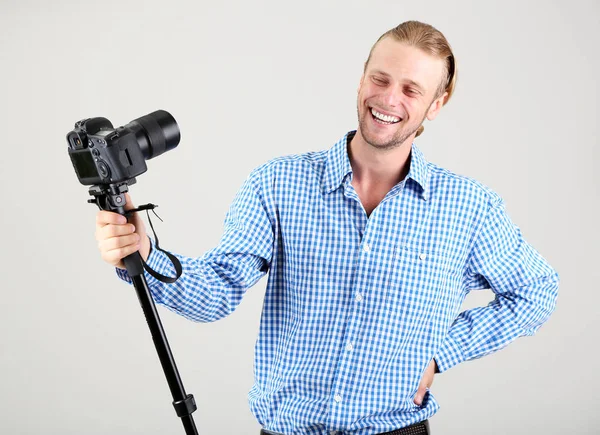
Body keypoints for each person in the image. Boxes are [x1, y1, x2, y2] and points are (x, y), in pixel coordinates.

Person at [94, 21, 559, 435]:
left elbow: (537, 291)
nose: (389, 99)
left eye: (412, 90)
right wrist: (144, 253)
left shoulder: (468, 208)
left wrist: (440, 353)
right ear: (361, 79)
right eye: (380, 78)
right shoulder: (278, 183)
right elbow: (216, 293)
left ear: (436, 104)